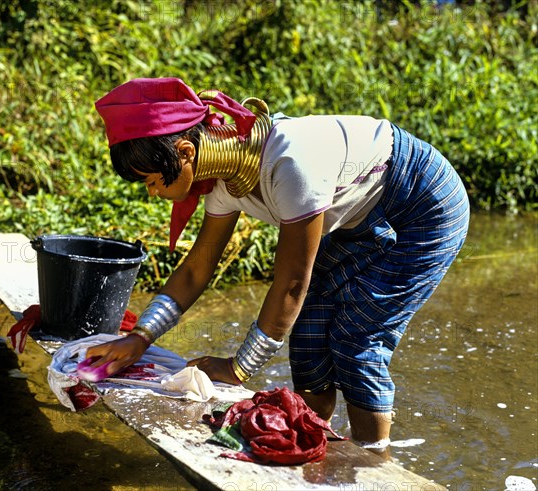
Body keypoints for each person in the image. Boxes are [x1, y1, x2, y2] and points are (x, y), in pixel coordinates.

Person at [86, 77, 470, 451]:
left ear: (186, 152)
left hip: (423, 204)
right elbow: (195, 270)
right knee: (309, 335)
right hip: (360, 210)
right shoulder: (224, 180)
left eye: (152, 181)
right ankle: (315, 444)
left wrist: (238, 369)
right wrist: (140, 338)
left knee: (357, 340)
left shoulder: (290, 164)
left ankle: (372, 465)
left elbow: (291, 285)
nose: (153, 193)